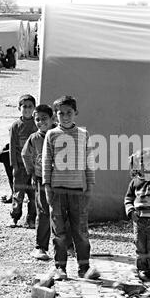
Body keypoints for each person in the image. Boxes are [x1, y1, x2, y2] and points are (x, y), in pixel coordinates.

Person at [42, 95, 95, 280]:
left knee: (80, 230)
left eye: (69, 113)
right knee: (59, 231)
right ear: (56, 116)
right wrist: (47, 186)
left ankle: (84, 267)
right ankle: (60, 268)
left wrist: (90, 186)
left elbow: (89, 161)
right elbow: (47, 162)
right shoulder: (51, 134)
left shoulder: (83, 134)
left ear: (76, 113)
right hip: (57, 190)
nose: (65, 116)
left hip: (78, 190)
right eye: (61, 113)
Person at [124, 148, 150, 282]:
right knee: (140, 246)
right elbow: (128, 199)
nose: (144, 167)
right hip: (140, 220)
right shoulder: (135, 182)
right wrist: (130, 211)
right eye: (141, 163)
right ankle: (142, 268)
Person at [21, 104, 56, 260]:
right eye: (37, 119)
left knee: (63, 212)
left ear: (52, 118)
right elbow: (25, 154)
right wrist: (32, 172)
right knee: (43, 212)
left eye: (44, 119)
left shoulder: (60, 134)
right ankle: (40, 247)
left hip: (60, 179)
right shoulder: (34, 138)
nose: (41, 122)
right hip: (41, 179)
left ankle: (68, 246)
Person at [9, 94, 37, 228]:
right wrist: (14, 165)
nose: (27, 109)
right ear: (18, 108)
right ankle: (14, 217)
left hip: (34, 167)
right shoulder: (16, 125)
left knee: (33, 195)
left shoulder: (37, 124)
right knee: (18, 194)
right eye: (24, 106)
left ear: (34, 108)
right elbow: (12, 146)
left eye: (30, 106)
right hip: (20, 166)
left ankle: (31, 219)